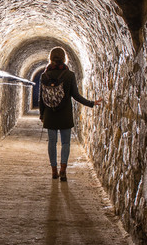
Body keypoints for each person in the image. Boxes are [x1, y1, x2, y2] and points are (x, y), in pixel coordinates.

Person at [39, 47, 103, 181]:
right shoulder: (69, 75)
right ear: (64, 58)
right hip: (65, 114)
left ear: (50, 58)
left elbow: (41, 97)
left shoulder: (44, 75)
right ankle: (63, 170)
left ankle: (54, 171)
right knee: (66, 143)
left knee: (52, 142)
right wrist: (91, 103)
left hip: (50, 114)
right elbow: (76, 96)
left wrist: (42, 115)